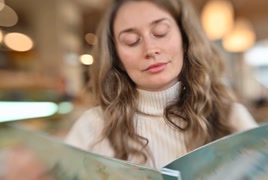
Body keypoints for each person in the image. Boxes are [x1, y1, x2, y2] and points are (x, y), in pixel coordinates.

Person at [65, 0, 258, 169]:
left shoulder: (230, 116)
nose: (150, 49)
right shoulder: (91, 128)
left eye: (160, 32)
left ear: (185, 39)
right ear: (116, 58)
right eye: (131, 41)